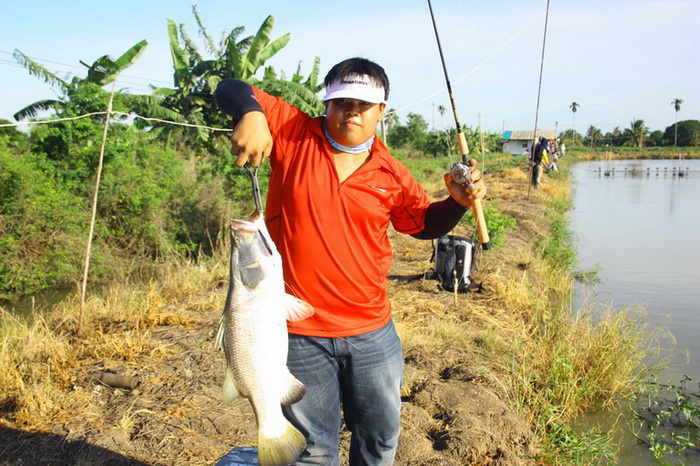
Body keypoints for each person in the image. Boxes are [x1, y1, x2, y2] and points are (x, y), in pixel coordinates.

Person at [214, 57, 486, 465]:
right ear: (327, 104)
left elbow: (423, 224)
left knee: (378, 442)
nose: (351, 112)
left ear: (381, 111)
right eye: (341, 102)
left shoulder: (391, 173)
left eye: (362, 105)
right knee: (314, 451)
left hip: (372, 333)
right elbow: (230, 86)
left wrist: (458, 205)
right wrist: (251, 112)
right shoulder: (291, 133)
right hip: (298, 334)